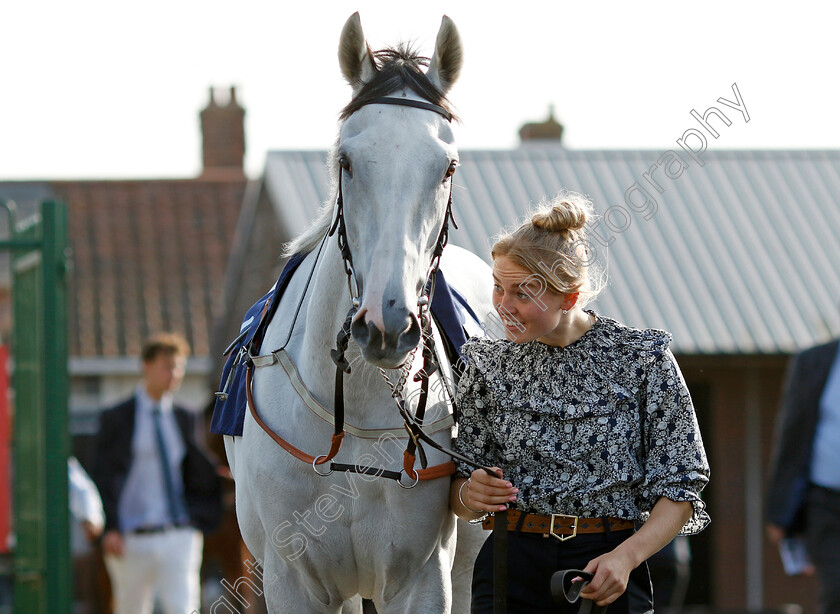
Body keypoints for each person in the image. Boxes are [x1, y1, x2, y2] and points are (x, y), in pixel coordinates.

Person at [449, 192, 710, 613]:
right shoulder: (485, 365)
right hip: (507, 566)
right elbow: (458, 488)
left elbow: (682, 486)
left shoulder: (642, 359)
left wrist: (625, 558)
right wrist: (469, 494)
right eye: (498, 287)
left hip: (608, 567)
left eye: (521, 293)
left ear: (568, 297)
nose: (503, 305)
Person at [92, 332, 222, 614]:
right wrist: (110, 527)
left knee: (183, 608)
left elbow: (198, 472)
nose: (174, 374)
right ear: (146, 366)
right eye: (167, 366)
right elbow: (103, 475)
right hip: (129, 539)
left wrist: (197, 519)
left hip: (179, 535)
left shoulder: (185, 417)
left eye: (179, 367)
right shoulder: (116, 418)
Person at [765, 331, 840, 613]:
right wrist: (778, 511)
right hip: (827, 501)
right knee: (836, 588)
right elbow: (792, 434)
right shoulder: (815, 361)